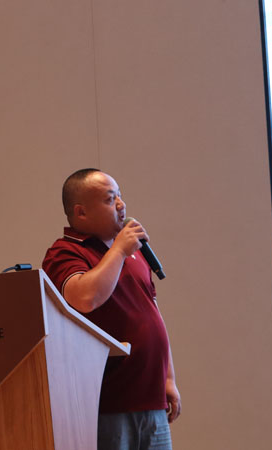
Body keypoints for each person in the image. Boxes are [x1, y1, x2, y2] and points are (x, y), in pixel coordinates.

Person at [42, 168, 181, 450]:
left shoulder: (133, 252)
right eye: (109, 199)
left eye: (119, 196)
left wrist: (168, 378)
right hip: (107, 403)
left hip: (152, 400)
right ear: (81, 212)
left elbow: (153, 314)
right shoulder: (66, 252)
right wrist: (117, 251)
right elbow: (85, 298)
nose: (121, 205)